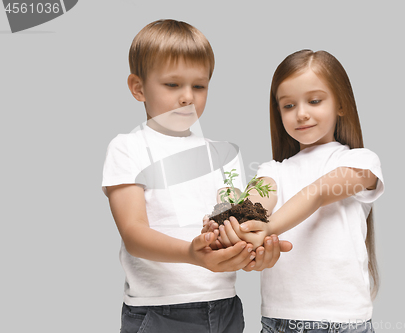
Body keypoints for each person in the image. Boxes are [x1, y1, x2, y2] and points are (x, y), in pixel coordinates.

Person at [102, 19, 290, 333]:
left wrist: (252, 252)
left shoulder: (224, 154)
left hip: (226, 304)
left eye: (199, 86)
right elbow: (133, 234)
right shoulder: (128, 147)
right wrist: (191, 253)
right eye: (172, 85)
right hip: (161, 311)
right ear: (138, 88)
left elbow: (232, 221)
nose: (188, 97)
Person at [206, 49, 385, 332]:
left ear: (341, 104)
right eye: (288, 106)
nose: (301, 114)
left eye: (314, 101)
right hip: (278, 322)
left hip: (342, 322)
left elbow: (317, 194)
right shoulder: (272, 170)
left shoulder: (360, 161)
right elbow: (255, 204)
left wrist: (268, 227)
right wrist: (227, 222)